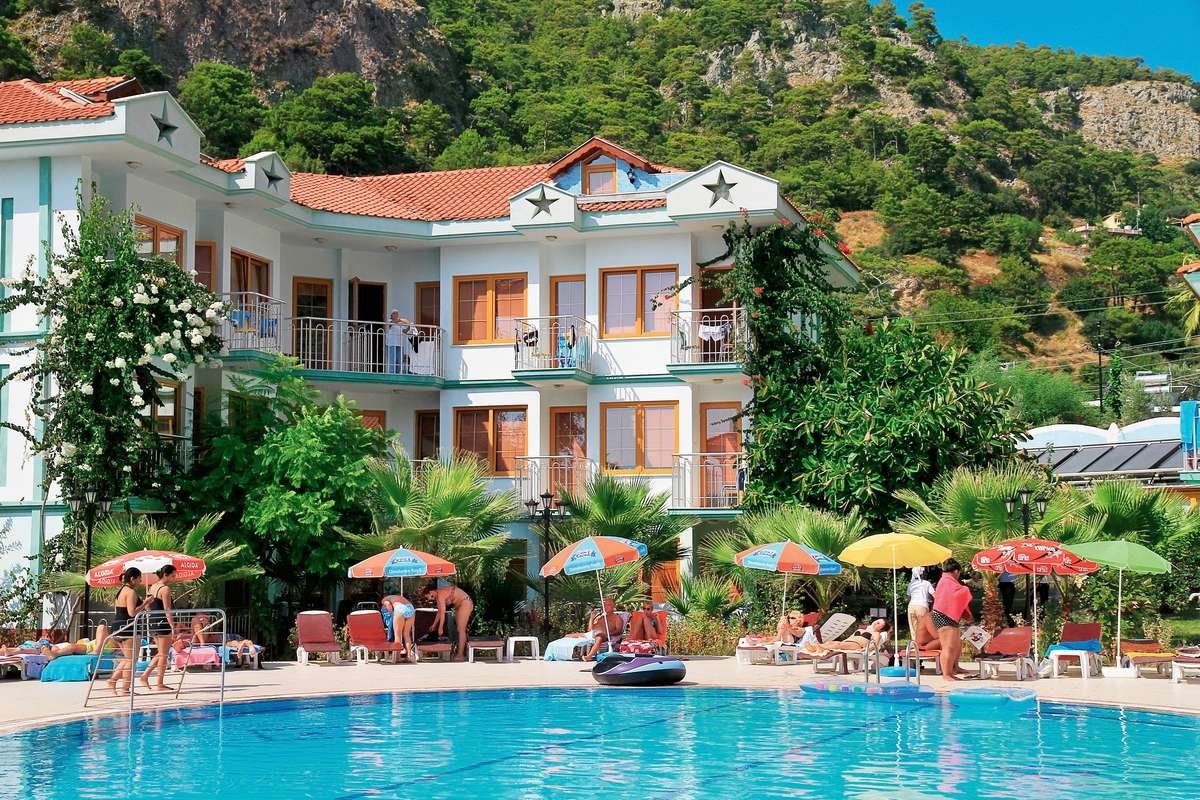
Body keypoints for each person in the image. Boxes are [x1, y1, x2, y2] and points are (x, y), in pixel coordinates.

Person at [932, 558, 974, 681]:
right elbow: (957, 594)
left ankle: (953, 669)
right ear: (956, 571)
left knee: (956, 645)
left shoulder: (947, 580)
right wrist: (965, 589)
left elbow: (955, 598)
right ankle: (946, 674)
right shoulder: (946, 580)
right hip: (943, 616)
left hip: (949, 616)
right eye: (959, 572)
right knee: (948, 646)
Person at [140, 564, 177, 692]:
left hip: (153, 622)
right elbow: (167, 609)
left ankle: (145, 676)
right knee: (163, 655)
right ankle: (159, 684)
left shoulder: (152, 587)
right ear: (165, 575)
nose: (174, 578)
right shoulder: (165, 589)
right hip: (163, 623)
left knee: (161, 653)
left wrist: (152, 616)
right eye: (173, 576)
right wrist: (172, 626)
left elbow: (146, 606)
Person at [107, 567, 142, 696]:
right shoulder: (130, 592)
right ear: (132, 578)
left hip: (118, 626)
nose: (140, 581)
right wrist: (145, 603)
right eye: (139, 578)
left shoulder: (121, 591)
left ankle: (113, 681)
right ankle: (125, 689)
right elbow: (131, 612)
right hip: (128, 627)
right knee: (131, 660)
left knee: (128, 659)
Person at [424, 582, 474, 662]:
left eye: (428, 597)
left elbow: (443, 612)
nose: (429, 599)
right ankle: (461, 652)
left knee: (461, 629)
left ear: (431, 592)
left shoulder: (440, 594)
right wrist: (434, 625)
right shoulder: (438, 596)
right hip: (459, 605)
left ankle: (460, 655)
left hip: (465, 602)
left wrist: (440, 627)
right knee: (459, 630)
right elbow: (439, 612)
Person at [582, 597, 625, 662]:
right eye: (604, 605)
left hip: (603, 636)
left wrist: (607, 633)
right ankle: (569, 654)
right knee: (569, 636)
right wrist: (592, 618)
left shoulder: (617, 618)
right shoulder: (601, 617)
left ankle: (589, 656)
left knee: (599, 637)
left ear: (613, 606)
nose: (605, 607)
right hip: (592, 634)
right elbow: (590, 629)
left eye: (608, 605)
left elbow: (619, 631)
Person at [381, 590, 416, 661]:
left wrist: (392, 615)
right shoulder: (399, 597)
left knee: (398, 635)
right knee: (406, 634)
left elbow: (388, 605)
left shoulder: (385, 599)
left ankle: (397, 657)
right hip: (411, 608)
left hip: (400, 608)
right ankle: (408, 656)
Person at [906, 567, 935, 643]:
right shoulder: (926, 583)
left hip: (911, 606)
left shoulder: (910, 584)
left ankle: (915, 644)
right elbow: (935, 595)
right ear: (922, 574)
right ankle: (923, 644)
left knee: (913, 628)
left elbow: (908, 598)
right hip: (922, 606)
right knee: (924, 627)